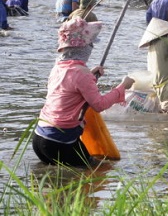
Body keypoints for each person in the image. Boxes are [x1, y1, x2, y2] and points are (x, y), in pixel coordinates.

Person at [32, 17, 135, 167]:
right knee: (95, 172)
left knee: (56, 183)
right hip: (59, 141)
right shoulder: (82, 73)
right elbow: (99, 105)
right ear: (83, 48)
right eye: (91, 44)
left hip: (40, 137)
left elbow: (69, 89)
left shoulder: (58, 67)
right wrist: (122, 87)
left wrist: (91, 76)